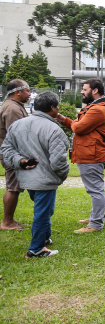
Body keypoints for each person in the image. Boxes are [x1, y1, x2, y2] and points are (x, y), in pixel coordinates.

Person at [1, 91, 69, 258]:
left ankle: (45, 238)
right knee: (43, 212)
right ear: (52, 108)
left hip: (26, 177)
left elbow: (6, 149)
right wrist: (62, 175)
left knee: (45, 209)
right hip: (45, 179)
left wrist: (20, 161)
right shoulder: (54, 129)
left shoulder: (17, 125)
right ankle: (36, 249)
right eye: (57, 106)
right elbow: (58, 162)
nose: (58, 109)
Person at [55, 79, 105, 234]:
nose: (82, 91)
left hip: (91, 155)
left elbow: (79, 127)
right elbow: (79, 124)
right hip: (90, 153)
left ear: (94, 91)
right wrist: (64, 120)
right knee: (95, 189)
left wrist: (71, 123)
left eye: (84, 89)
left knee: (95, 190)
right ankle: (95, 216)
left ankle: (96, 223)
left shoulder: (97, 110)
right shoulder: (96, 107)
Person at [1, 79, 31, 230]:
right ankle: (7, 223)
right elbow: (16, 135)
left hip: (12, 154)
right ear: (18, 91)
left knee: (14, 187)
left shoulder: (14, 106)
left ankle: (10, 220)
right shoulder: (12, 108)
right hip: (12, 155)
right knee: (13, 187)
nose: (30, 94)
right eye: (27, 91)